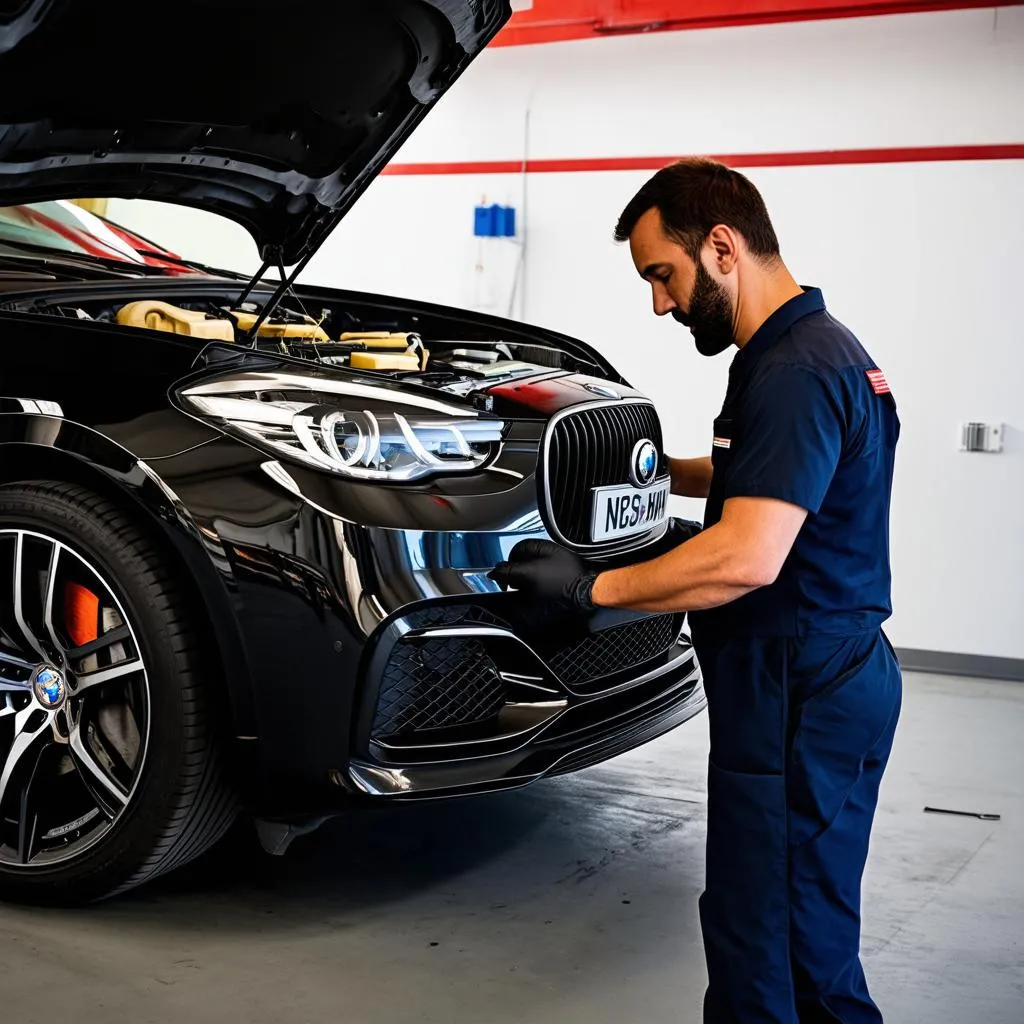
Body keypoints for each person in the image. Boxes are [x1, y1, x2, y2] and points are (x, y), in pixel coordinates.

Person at [490, 158, 903, 1023]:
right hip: (827, 675)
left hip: (795, 690)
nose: (659, 303)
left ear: (722, 247)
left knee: (770, 931)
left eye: (661, 275)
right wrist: (641, 468)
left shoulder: (791, 373)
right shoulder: (810, 351)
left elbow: (746, 557)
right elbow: (749, 476)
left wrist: (590, 592)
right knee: (805, 926)